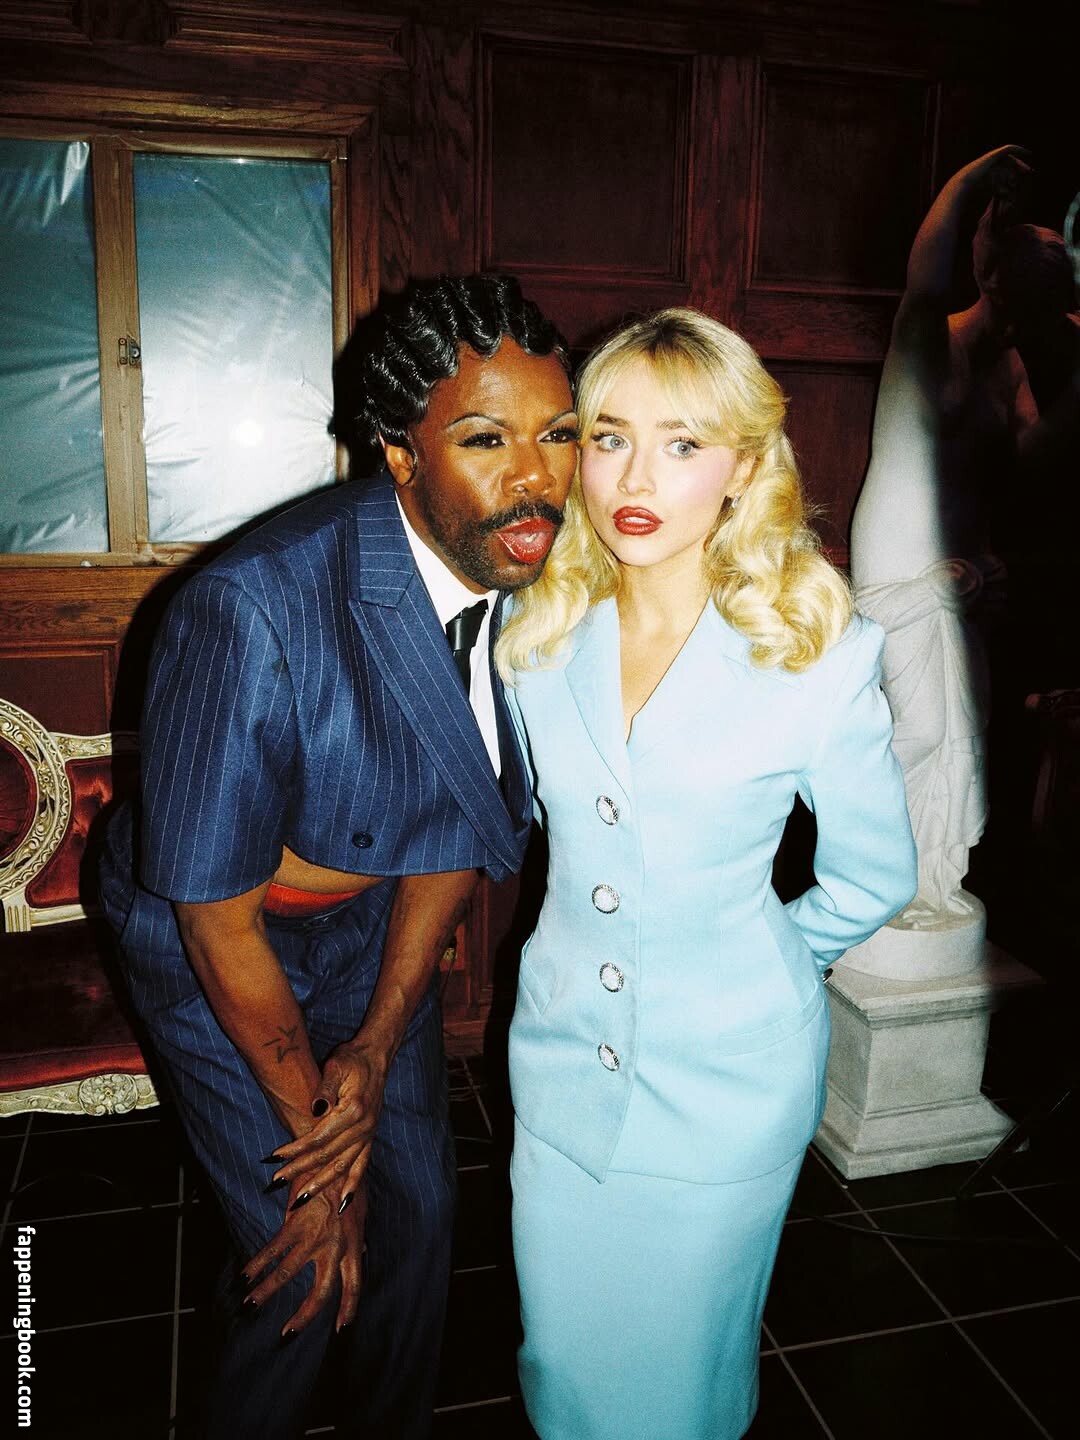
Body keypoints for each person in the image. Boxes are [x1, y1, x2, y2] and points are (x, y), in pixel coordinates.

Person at [99, 274, 578, 1440]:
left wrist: (369, 1048)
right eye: (486, 439)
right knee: (304, 1260)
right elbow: (214, 919)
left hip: (372, 923)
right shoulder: (252, 611)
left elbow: (455, 824)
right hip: (209, 936)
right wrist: (322, 1153)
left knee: (419, 1214)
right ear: (401, 456)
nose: (537, 476)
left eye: (559, 434)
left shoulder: (532, 580)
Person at [494, 308, 917, 1439]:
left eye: (682, 444)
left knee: (682, 1381)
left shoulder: (813, 653)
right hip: (562, 1063)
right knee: (563, 1362)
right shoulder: (535, 635)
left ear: (742, 467)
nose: (635, 478)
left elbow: (875, 877)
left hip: (729, 1088)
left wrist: (756, 965)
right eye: (610, 437)